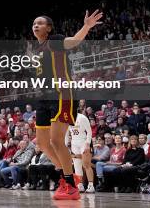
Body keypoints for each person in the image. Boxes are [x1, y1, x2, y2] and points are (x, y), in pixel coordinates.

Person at [31, 11, 103, 199]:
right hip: (43, 98)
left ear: (49, 28)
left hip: (61, 94)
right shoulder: (36, 50)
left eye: (40, 23)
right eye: (34, 24)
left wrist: (86, 26)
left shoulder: (54, 40)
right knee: (42, 143)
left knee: (56, 141)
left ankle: (70, 184)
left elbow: (73, 42)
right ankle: (67, 174)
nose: (36, 26)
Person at [66, 110, 95, 193]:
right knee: (76, 165)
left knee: (86, 164)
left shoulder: (82, 117)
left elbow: (89, 131)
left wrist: (87, 144)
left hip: (83, 141)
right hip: (74, 143)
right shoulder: (67, 118)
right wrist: (66, 146)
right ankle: (80, 185)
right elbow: (67, 133)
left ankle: (91, 185)